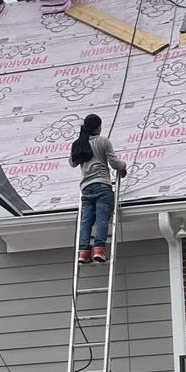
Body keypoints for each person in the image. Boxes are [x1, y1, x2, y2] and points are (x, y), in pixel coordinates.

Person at [69, 113, 127, 264]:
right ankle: (99, 250)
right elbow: (114, 163)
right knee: (102, 219)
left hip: (86, 188)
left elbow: (72, 163)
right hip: (102, 185)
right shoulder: (102, 141)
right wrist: (124, 166)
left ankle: (83, 252)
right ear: (98, 127)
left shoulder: (78, 143)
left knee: (86, 220)